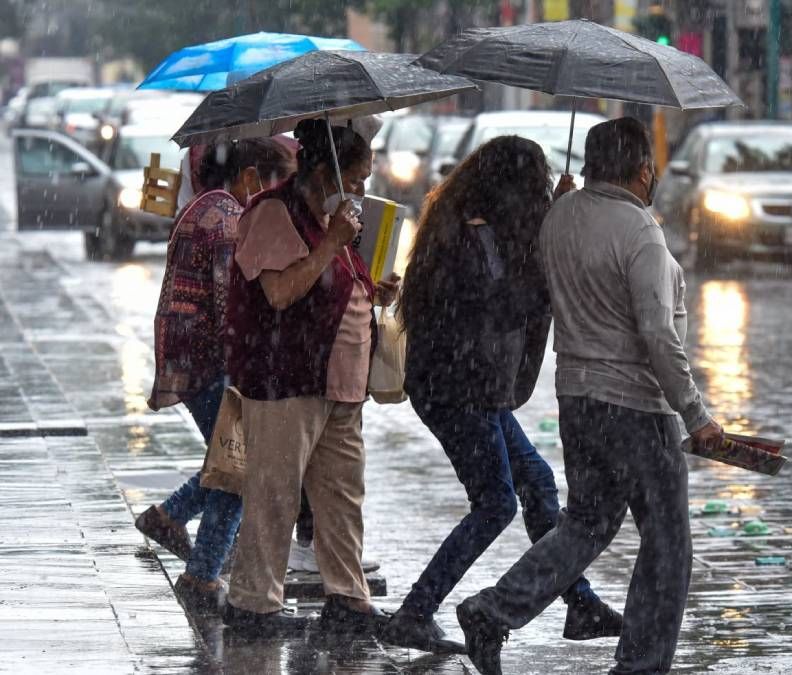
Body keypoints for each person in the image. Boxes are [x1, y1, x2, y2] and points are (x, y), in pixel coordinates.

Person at [454, 118, 724, 675]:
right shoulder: (639, 230)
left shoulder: (559, 218)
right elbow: (657, 332)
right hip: (636, 406)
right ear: (643, 169)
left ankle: (494, 610)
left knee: (585, 524)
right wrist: (695, 413)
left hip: (578, 401)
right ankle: (641, 664)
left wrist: (561, 206)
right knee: (668, 544)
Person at [381, 136, 622, 654]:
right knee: (495, 504)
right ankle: (416, 612)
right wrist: (547, 250)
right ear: (510, 187)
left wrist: (554, 218)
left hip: (473, 388)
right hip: (456, 390)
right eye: (533, 184)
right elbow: (503, 304)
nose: (537, 193)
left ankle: (579, 604)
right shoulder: (469, 237)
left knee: (536, 482)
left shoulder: (483, 228)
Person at [222, 118, 399, 637]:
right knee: (274, 493)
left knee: (342, 498)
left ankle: (347, 596)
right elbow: (280, 292)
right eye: (359, 178)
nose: (364, 188)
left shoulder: (332, 218)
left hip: (340, 385)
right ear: (327, 171)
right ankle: (253, 603)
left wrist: (372, 290)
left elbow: (335, 281)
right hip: (287, 378)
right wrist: (333, 243)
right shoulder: (275, 213)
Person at [139, 138, 294, 611]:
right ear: (249, 177)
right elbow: (233, 305)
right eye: (272, 184)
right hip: (210, 361)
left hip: (190, 355)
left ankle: (170, 517)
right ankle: (202, 573)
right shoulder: (227, 219)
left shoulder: (203, 205)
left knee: (230, 459)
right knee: (239, 466)